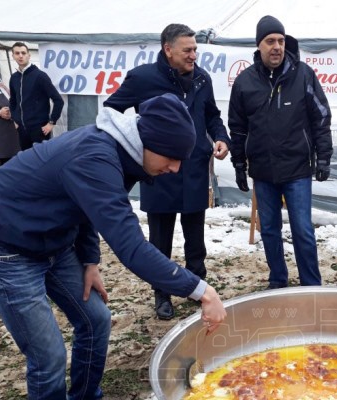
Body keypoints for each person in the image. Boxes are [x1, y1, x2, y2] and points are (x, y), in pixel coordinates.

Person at [0, 93, 227, 400]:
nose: (175, 168)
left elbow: (86, 206)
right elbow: (132, 248)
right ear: (147, 142)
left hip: (53, 241)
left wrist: (90, 261)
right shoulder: (95, 157)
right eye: (171, 157)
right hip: (4, 244)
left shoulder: (124, 153)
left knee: (96, 320)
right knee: (49, 356)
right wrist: (202, 291)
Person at [104, 23, 230, 320]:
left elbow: (211, 114)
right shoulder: (142, 78)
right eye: (188, 50)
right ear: (168, 49)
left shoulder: (201, 78)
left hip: (195, 168)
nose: (193, 56)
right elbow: (111, 111)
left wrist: (221, 137)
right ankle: (162, 293)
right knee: (160, 239)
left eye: (195, 49)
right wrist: (136, 147)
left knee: (195, 237)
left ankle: (198, 284)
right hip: (159, 172)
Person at [228, 15, 333, 289]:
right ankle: (278, 282)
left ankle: (311, 285)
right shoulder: (245, 82)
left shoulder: (303, 74)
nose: (277, 46)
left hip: (297, 168)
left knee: (302, 230)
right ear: (259, 46)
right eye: (270, 41)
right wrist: (239, 164)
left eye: (281, 40)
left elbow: (321, 117)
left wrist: (324, 156)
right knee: (270, 231)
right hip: (263, 171)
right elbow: (237, 128)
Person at [9, 41, 64, 150]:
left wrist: (51, 122)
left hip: (39, 129)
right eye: (17, 53)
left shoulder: (40, 76)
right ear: (13, 56)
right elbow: (13, 100)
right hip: (22, 130)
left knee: (41, 162)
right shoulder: (14, 77)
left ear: (29, 55)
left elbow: (58, 100)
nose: (20, 56)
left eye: (23, 53)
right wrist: (15, 120)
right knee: (26, 161)